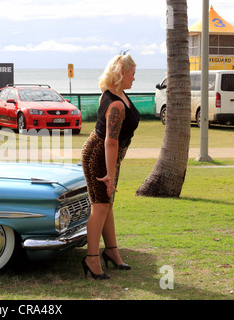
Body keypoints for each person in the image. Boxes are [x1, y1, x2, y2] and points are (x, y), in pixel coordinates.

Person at [81, 54, 140, 280]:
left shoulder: (118, 95)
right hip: (99, 156)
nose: (134, 78)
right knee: (100, 206)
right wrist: (109, 174)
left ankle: (112, 252)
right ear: (121, 73)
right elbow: (111, 141)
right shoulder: (115, 103)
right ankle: (92, 258)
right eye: (132, 73)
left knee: (107, 204)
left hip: (108, 157)